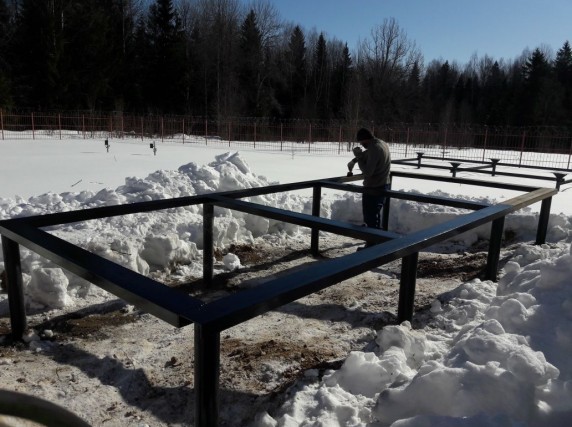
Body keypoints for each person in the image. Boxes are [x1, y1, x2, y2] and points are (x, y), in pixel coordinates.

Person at [347, 127, 391, 240]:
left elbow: (367, 172)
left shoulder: (374, 148)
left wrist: (359, 157)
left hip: (373, 187)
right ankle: (376, 241)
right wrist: (355, 160)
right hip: (383, 184)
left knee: (370, 218)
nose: (361, 145)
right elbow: (368, 155)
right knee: (375, 216)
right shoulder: (381, 143)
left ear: (364, 139)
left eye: (361, 142)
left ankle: (372, 245)